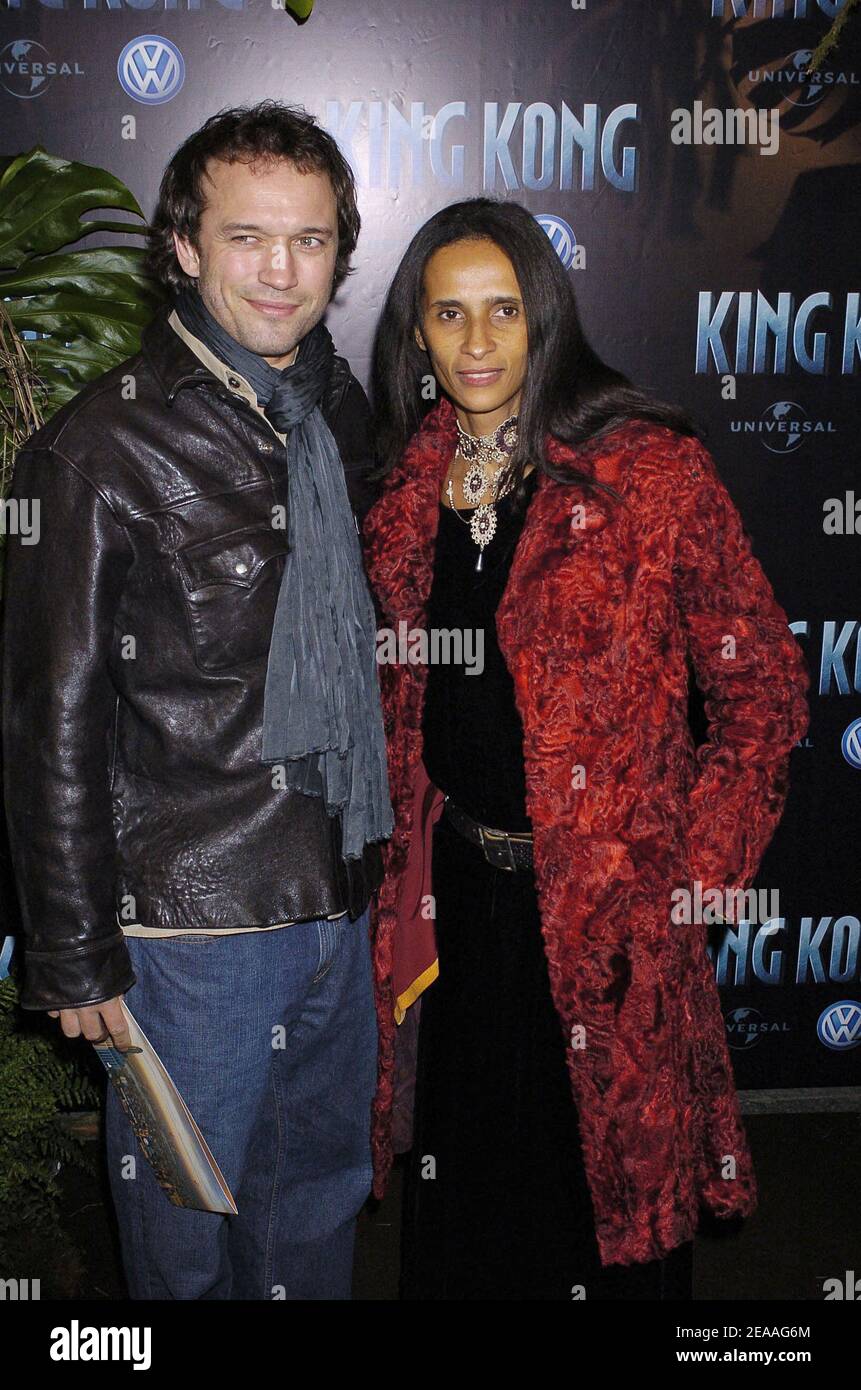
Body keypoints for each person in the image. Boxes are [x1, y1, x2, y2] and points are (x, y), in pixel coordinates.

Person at [361, 197, 811, 1300]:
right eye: (449, 314)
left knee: (611, 1211)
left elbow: (762, 695)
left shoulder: (648, 475)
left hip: (610, 926)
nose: (475, 342)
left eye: (503, 310)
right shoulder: (404, 493)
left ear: (545, 319)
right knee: (465, 1206)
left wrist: (685, 881)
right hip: (457, 914)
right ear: (415, 335)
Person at [0, 101, 393, 1300]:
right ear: (182, 246)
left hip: (338, 890)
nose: (281, 271)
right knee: (182, 1243)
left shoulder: (339, 415)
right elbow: (47, 715)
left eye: (312, 241)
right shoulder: (98, 450)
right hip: (191, 928)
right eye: (245, 237)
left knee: (319, 1207)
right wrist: (74, 954)